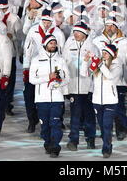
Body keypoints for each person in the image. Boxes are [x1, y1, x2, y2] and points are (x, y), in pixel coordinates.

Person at [92, 17, 127, 141]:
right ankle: (105, 130)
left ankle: (121, 129)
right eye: (107, 25)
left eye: (112, 26)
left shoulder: (124, 41)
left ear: (117, 27)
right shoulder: (97, 41)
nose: (109, 28)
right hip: (102, 80)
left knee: (119, 107)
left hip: (118, 80)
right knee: (102, 106)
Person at [29, 35, 69, 158]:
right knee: (45, 125)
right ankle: (48, 143)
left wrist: (59, 82)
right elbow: (32, 80)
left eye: (54, 43)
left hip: (57, 98)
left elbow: (67, 78)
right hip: (42, 99)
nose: (53, 45)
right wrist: (48, 77)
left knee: (56, 123)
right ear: (45, 44)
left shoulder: (61, 60)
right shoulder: (36, 60)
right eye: (51, 43)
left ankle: (55, 147)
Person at [63, 22, 98, 151]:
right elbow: (64, 66)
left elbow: (96, 69)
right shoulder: (69, 46)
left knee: (89, 115)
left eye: (78, 32)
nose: (75, 34)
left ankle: (91, 139)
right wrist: (65, 87)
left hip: (88, 87)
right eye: (74, 32)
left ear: (84, 34)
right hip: (73, 87)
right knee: (75, 115)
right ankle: (73, 140)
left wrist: (93, 88)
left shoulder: (93, 48)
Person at [82, 43, 121, 158]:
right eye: (102, 53)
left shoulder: (117, 65)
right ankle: (107, 142)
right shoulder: (99, 65)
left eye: (106, 53)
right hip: (97, 101)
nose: (103, 55)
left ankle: (106, 148)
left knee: (107, 125)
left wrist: (99, 64)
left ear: (111, 55)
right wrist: (85, 61)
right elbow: (85, 73)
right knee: (102, 126)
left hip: (111, 101)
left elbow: (110, 77)